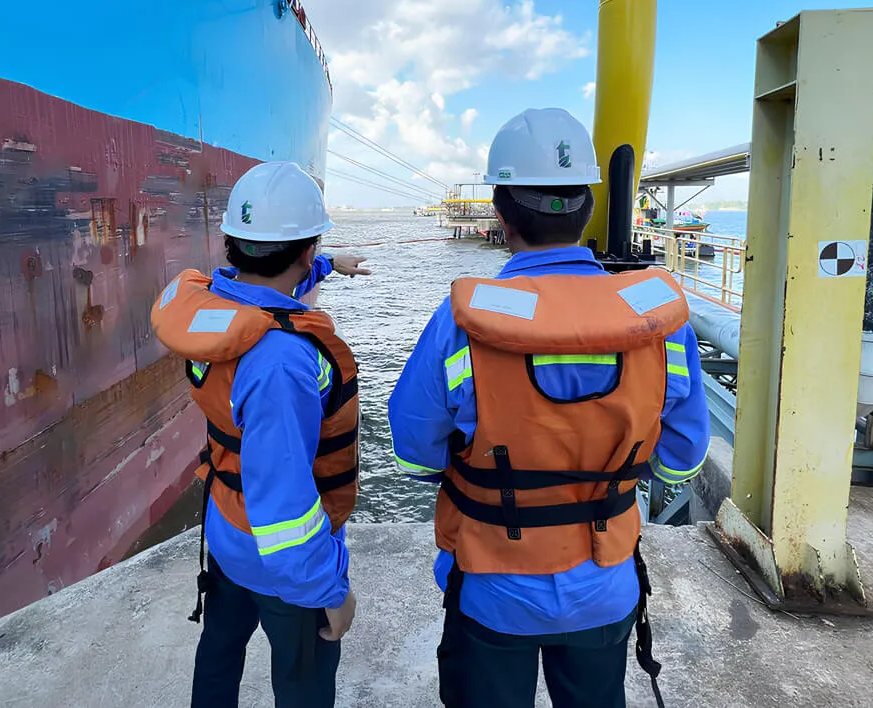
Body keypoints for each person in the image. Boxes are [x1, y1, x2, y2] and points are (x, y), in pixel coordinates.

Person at [388, 108, 710, 708]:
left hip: (490, 586)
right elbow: (683, 454)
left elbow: (412, 448)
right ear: (588, 205)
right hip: (606, 582)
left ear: (501, 213)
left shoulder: (462, 323)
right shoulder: (660, 324)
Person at [151, 161, 368, 708]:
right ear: (303, 251)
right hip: (282, 565)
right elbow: (284, 506)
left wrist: (327, 266)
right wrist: (329, 592)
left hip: (226, 532)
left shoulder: (219, 303)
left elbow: (265, 289)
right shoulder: (282, 364)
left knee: (218, 659)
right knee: (303, 685)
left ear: (232, 243)